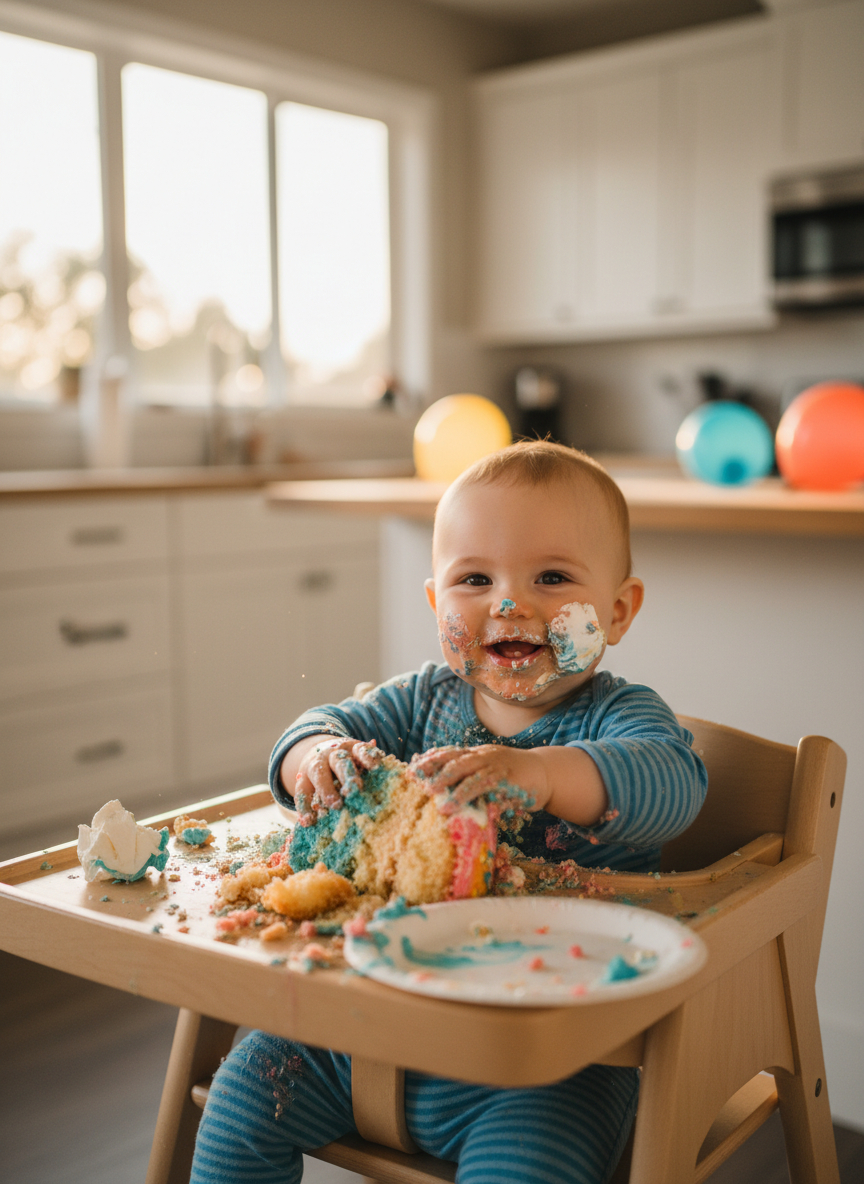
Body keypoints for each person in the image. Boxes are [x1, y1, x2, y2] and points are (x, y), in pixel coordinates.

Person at [191, 440, 708, 1184]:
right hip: (370, 1022)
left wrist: (545, 774)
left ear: (618, 610)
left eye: (552, 577)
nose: (510, 603)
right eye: (475, 578)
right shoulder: (418, 702)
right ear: (437, 601)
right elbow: (310, 730)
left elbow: (676, 785)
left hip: (551, 1058)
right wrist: (318, 760)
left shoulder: (621, 717)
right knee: (238, 1109)